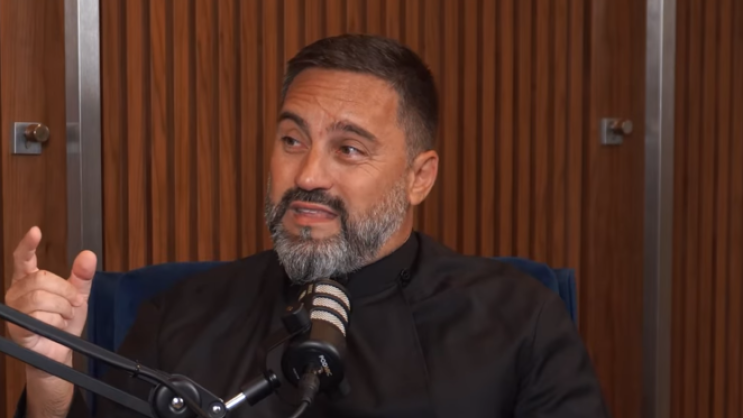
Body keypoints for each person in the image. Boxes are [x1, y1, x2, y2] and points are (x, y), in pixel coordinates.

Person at [7, 34, 609, 418]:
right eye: (292, 140)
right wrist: (48, 383)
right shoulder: (179, 315)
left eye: (349, 149)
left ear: (419, 177)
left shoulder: (520, 319)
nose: (308, 174)